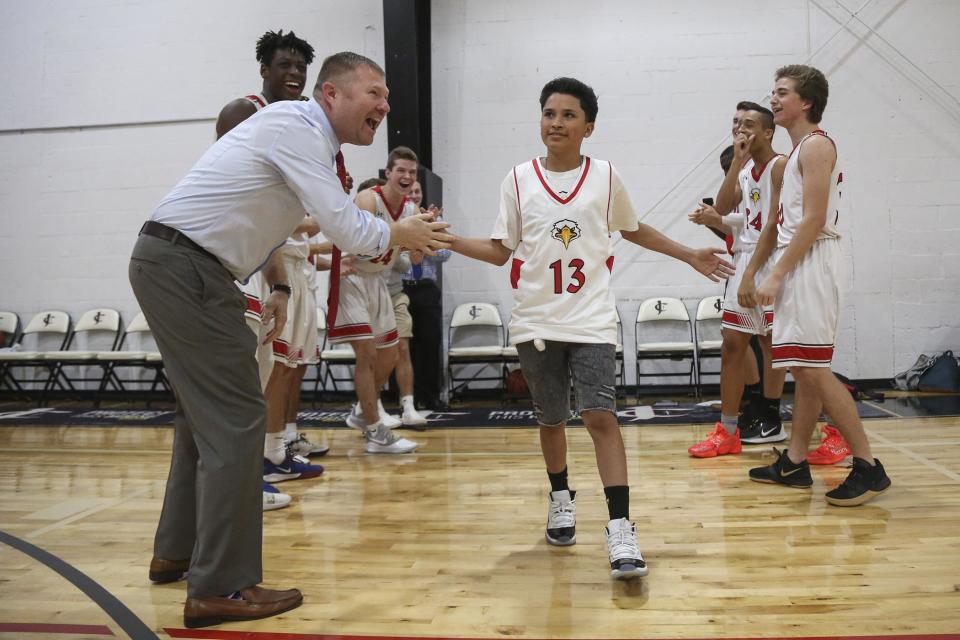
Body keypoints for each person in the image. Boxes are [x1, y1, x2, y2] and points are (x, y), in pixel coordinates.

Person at [133, 50, 450, 627]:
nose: (385, 104)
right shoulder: (296, 126)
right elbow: (345, 227)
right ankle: (221, 587)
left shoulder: (306, 140)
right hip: (187, 268)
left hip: (186, 264)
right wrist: (399, 231)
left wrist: (279, 284)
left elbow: (279, 224)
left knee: (200, 420)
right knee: (236, 418)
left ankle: (175, 553)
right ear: (330, 94)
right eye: (374, 93)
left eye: (386, 97)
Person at [448, 77, 734, 578]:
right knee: (550, 417)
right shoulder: (517, 179)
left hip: (592, 318)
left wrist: (689, 253)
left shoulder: (604, 176)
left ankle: (620, 527)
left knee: (601, 417)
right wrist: (446, 239)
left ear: (589, 126)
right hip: (535, 319)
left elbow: (633, 228)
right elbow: (499, 250)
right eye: (549, 113)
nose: (555, 123)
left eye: (567, 115)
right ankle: (560, 496)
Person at [740, 64, 890, 505]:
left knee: (811, 369)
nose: (773, 99)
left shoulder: (817, 146)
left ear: (805, 102)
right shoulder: (792, 156)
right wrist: (760, 270)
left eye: (782, 92)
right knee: (804, 372)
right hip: (797, 263)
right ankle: (794, 461)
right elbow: (780, 223)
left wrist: (778, 271)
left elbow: (815, 220)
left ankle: (867, 465)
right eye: (773, 91)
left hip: (812, 262)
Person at [214, 30, 324, 511]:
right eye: (285, 64)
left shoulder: (300, 121)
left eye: (301, 66)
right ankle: (248, 472)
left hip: (280, 257)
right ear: (265, 69)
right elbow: (241, 193)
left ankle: (273, 454)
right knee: (255, 376)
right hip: (249, 259)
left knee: (283, 366)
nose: (295, 73)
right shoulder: (244, 110)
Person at [688, 103, 788, 458]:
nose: (740, 129)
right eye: (737, 123)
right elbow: (724, 206)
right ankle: (727, 430)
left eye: (749, 124)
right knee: (733, 343)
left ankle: (772, 415)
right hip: (745, 257)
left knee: (775, 344)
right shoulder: (746, 171)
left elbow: (774, 227)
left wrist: (751, 274)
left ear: (768, 132)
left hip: (774, 260)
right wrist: (736, 163)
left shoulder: (781, 166)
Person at [330, 146, 423, 453]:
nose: (407, 177)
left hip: (379, 280)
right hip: (352, 276)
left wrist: (427, 236)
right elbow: (361, 244)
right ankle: (374, 431)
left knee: (391, 355)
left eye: (412, 172)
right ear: (388, 173)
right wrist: (403, 233)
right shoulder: (369, 199)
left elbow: (416, 256)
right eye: (401, 171)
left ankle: (361, 409)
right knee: (367, 353)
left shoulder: (411, 210)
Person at [403, 181, 452, 411]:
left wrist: (436, 229)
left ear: (422, 195)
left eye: (417, 192)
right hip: (402, 287)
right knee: (405, 347)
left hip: (426, 288)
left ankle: (432, 396)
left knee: (431, 343)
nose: (413, 195)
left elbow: (444, 256)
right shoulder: (398, 220)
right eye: (410, 191)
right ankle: (407, 398)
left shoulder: (430, 223)